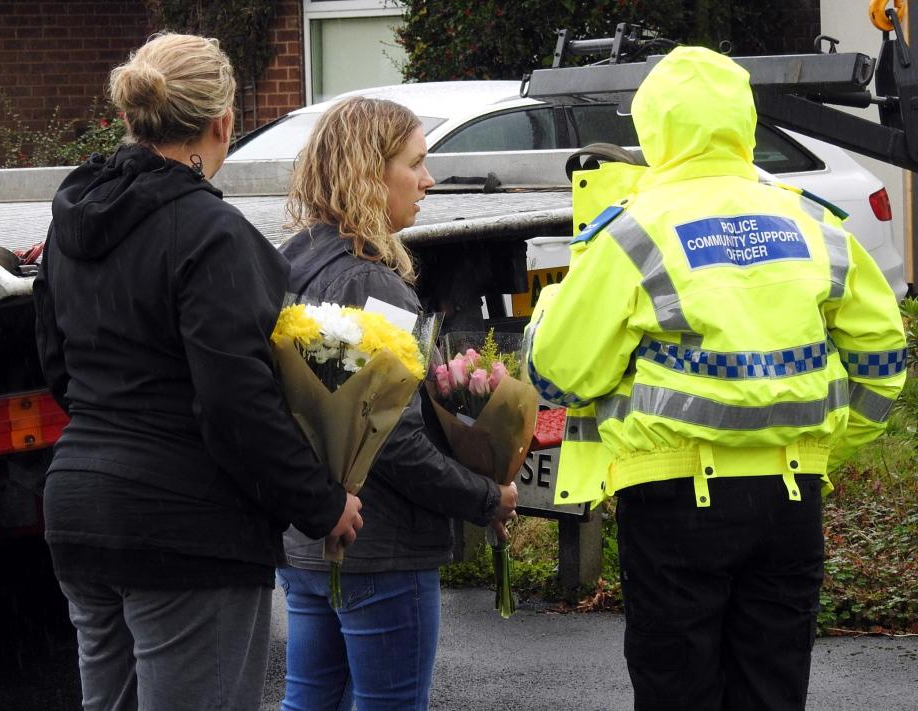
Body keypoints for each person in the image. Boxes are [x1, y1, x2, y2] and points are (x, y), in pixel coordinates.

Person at [526, 47, 906, 711]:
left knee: (677, 691)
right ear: (743, 120)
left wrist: (554, 308)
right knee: (772, 691)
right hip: (791, 498)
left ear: (653, 128)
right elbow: (880, 354)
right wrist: (831, 444)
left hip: (673, 503)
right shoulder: (812, 220)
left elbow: (559, 373)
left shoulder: (634, 232)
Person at [33, 33, 362, 711]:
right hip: (188, 529)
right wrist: (322, 503)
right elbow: (236, 403)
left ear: (129, 117)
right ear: (223, 122)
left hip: (78, 509)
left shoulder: (70, 223)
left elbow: (56, 364)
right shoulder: (212, 234)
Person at [277, 96, 519, 711]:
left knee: (309, 701)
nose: (429, 181)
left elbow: (331, 411)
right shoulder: (369, 281)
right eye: (416, 164)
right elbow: (387, 437)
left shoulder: (294, 261)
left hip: (307, 539)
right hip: (379, 547)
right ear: (368, 173)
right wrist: (487, 497)